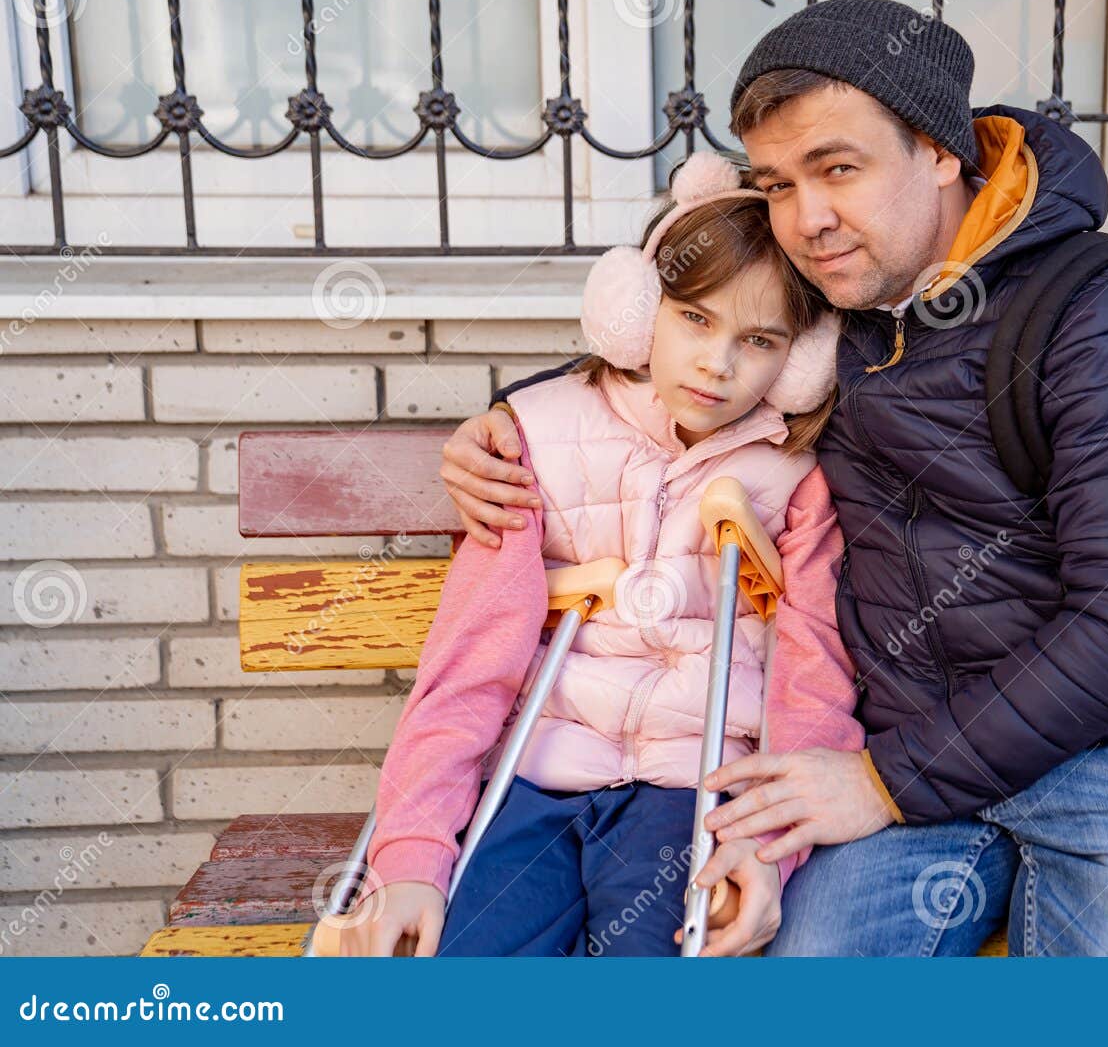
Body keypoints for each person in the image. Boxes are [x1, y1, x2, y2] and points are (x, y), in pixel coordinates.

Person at [440, 0, 1108, 956]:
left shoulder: (1101, 312)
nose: (807, 220)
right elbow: (675, 354)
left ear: (942, 150)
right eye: (778, 184)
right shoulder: (831, 312)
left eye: (839, 169)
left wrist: (878, 782)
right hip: (896, 749)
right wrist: (505, 422)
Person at [342, 152, 863, 957]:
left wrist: (768, 845)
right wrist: (410, 855)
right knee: (468, 956)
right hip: (538, 770)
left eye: (758, 339)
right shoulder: (534, 439)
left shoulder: (799, 477)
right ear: (639, 309)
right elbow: (467, 666)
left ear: (799, 361)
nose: (716, 364)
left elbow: (812, 678)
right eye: (695, 318)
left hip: (691, 782)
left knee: (658, 964)